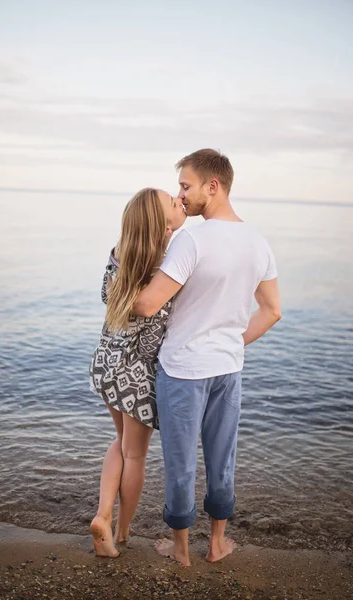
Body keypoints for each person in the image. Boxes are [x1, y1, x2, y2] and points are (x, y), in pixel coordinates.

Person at [133, 149, 282, 567]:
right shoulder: (258, 241)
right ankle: (217, 545)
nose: (181, 197)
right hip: (227, 370)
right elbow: (272, 310)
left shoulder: (191, 240)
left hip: (182, 370)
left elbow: (146, 305)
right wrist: (232, 342)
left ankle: (181, 549)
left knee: (180, 464)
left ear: (212, 187)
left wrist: (124, 270)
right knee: (222, 460)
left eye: (185, 186)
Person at [89, 187, 186, 558]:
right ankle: (122, 530)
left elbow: (105, 298)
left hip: (107, 365)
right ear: (161, 226)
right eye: (172, 203)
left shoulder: (120, 257)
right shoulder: (163, 270)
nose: (179, 202)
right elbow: (153, 337)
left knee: (121, 444)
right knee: (137, 455)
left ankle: (102, 513)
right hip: (135, 375)